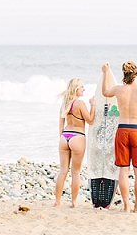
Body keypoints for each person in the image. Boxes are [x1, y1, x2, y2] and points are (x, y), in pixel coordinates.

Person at [102, 61, 137, 213]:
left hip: (123, 130)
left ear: (124, 74)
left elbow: (105, 92)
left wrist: (105, 73)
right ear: (136, 73)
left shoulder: (118, 90)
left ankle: (126, 206)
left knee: (123, 170)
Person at [55, 78, 95, 207]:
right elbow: (90, 120)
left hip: (64, 137)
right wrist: (93, 105)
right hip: (78, 136)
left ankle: (57, 201)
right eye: (82, 87)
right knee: (76, 172)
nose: (84, 89)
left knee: (62, 171)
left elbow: (60, 126)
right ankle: (73, 202)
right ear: (76, 89)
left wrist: (62, 137)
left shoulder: (65, 104)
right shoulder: (80, 104)